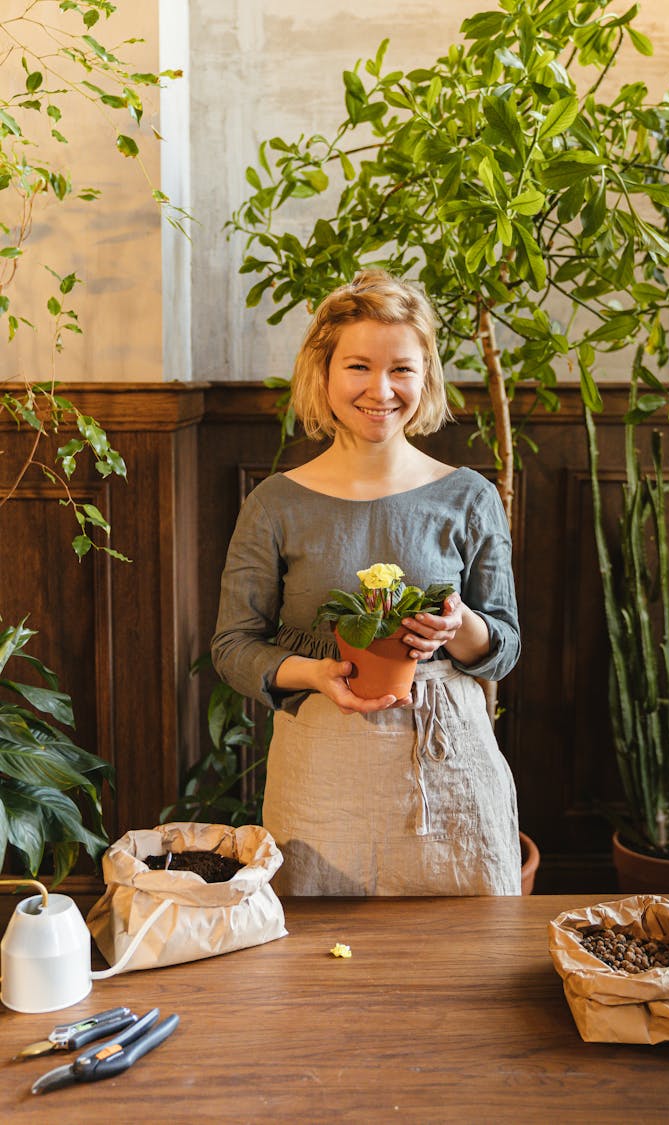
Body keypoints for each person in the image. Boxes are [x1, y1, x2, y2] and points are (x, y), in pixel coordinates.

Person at [211, 270, 522, 895]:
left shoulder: (470, 497)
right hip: (319, 775)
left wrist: (459, 627)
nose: (381, 389)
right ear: (322, 373)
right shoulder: (275, 504)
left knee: (463, 972)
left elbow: (505, 648)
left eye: (402, 369)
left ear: (425, 377)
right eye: (358, 366)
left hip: (451, 769)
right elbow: (233, 648)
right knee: (318, 978)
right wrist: (318, 674)